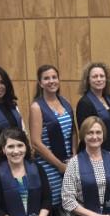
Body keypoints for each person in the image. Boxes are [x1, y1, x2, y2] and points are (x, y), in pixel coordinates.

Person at [29, 64, 77, 207]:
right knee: (54, 203)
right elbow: (36, 144)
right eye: (46, 78)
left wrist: (74, 156)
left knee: (71, 201)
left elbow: (74, 131)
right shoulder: (36, 107)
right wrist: (60, 165)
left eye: (54, 77)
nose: (51, 81)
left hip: (69, 162)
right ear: (40, 83)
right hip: (49, 165)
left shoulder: (65, 101)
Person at [76, 62, 110, 157]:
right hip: (95, 154)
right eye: (95, 76)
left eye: (102, 76)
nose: (99, 79)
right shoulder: (84, 103)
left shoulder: (109, 97)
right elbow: (85, 134)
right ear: (88, 80)